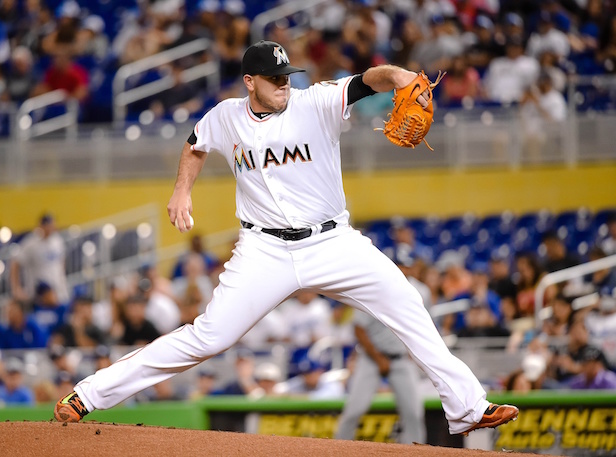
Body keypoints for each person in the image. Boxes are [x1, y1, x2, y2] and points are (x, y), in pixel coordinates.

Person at [54, 40, 519, 435]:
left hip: (332, 242)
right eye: (275, 78)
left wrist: (398, 75)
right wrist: (181, 190)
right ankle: (88, 394)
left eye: (287, 76)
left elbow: (367, 81)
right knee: (208, 337)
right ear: (250, 82)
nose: (285, 84)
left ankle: (467, 408)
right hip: (264, 249)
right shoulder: (225, 116)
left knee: (407, 305)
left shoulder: (315, 101)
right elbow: (195, 143)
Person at [335, 310, 426, 444]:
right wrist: (378, 358)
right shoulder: (374, 292)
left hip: (400, 358)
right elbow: (358, 329)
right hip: (370, 359)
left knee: (414, 413)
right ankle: (338, 449)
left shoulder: (408, 295)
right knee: (354, 410)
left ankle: (415, 452)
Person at [10, 213, 70, 305]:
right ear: (41, 226)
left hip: (58, 291)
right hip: (38, 293)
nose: (49, 228)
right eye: (47, 225)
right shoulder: (31, 243)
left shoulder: (57, 240)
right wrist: (16, 289)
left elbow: (62, 261)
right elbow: (15, 263)